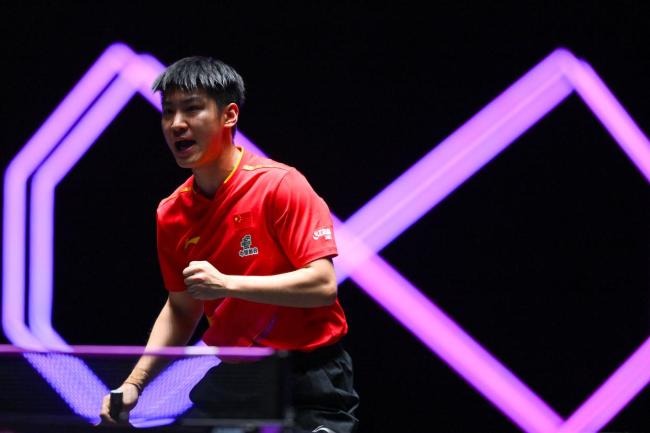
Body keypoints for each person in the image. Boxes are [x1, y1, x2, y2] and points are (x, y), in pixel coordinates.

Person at [99, 56, 359, 433]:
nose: (176, 124)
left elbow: (322, 285)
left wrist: (226, 284)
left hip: (310, 374)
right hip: (239, 376)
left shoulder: (280, 186)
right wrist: (134, 384)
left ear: (229, 115)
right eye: (168, 112)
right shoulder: (171, 213)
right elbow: (181, 309)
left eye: (192, 109)